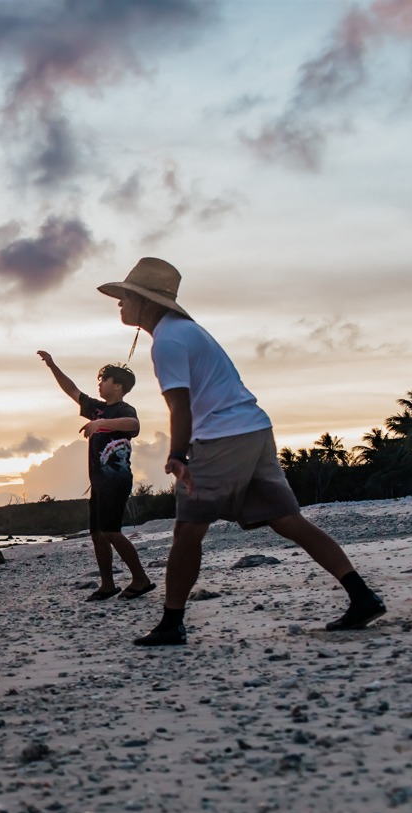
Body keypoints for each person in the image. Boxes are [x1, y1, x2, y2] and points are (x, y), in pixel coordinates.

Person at [97, 257, 386, 646]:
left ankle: (171, 623)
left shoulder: (168, 341)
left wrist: (178, 455)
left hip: (222, 439)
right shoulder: (188, 331)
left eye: (126, 296)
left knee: (186, 532)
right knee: (286, 519)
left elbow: (179, 405)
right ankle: (362, 596)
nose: (120, 303)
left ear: (146, 302)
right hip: (254, 429)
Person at [36, 351, 156, 601]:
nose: (99, 384)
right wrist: (52, 365)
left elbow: (133, 425)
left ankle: (141, 579)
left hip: (116, 479)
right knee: (97, 533)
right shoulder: (97, 408)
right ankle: (107, 585)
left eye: (104, 380)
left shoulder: (124, 409)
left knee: (111, 530)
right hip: (99, 482)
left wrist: (100, 425)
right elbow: (72, 390)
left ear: (118, 385)